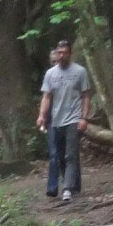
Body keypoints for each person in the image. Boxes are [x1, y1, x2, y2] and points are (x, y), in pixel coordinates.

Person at [38, 40, 92, 203]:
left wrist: (84, 117)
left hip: (73, 119)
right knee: (56, 155)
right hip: (55, 120)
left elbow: (86, 96)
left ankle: (68, 188)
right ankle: (63, 187)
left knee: (70, 155)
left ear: (70, 53)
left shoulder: (80, 72)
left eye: (64, 53)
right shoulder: (50, 74)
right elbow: (46, 96)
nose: (61, 56)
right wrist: (42, 115)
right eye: (59, 52)